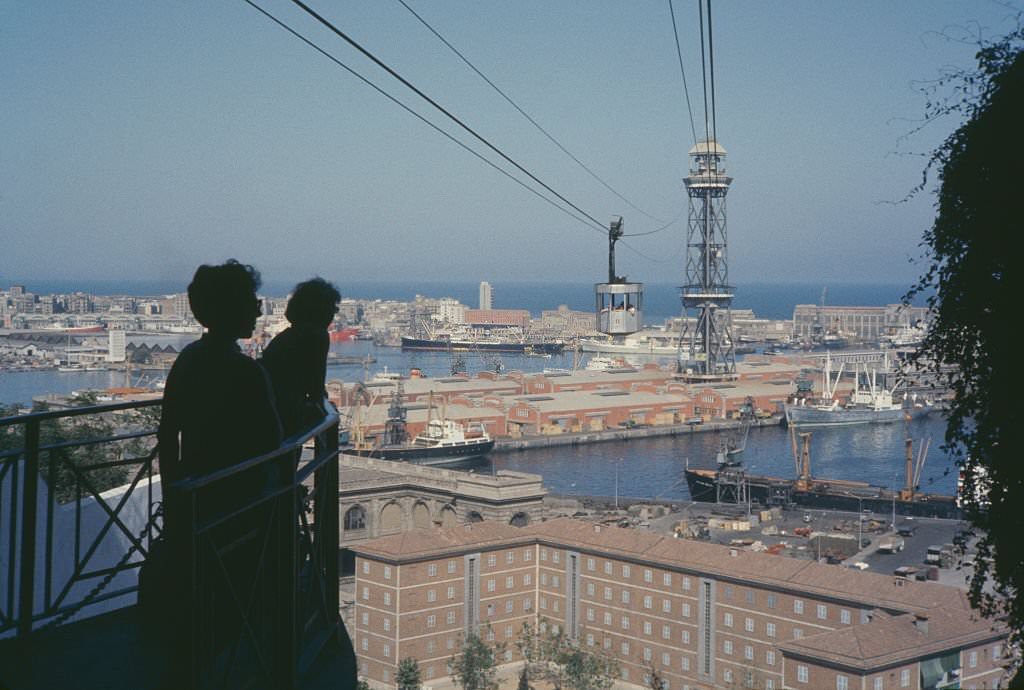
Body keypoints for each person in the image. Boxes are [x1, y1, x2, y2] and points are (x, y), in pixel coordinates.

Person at [154, 260, 283, 683]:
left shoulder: (188, 359)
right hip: (237, 505)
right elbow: (272, 441)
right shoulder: (245, 371)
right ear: (231, 309)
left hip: (193, 497)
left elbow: (167, 431)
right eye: (253, 303)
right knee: (233, 609)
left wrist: (175, 494)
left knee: (198, 608)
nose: (259, 312)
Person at [261, 277, 340, 438]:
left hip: (270, 407)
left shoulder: (287, 336)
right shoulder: (317, 336)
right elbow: (316, 383)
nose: (333, 314)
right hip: (285, 410)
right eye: (332, 309)